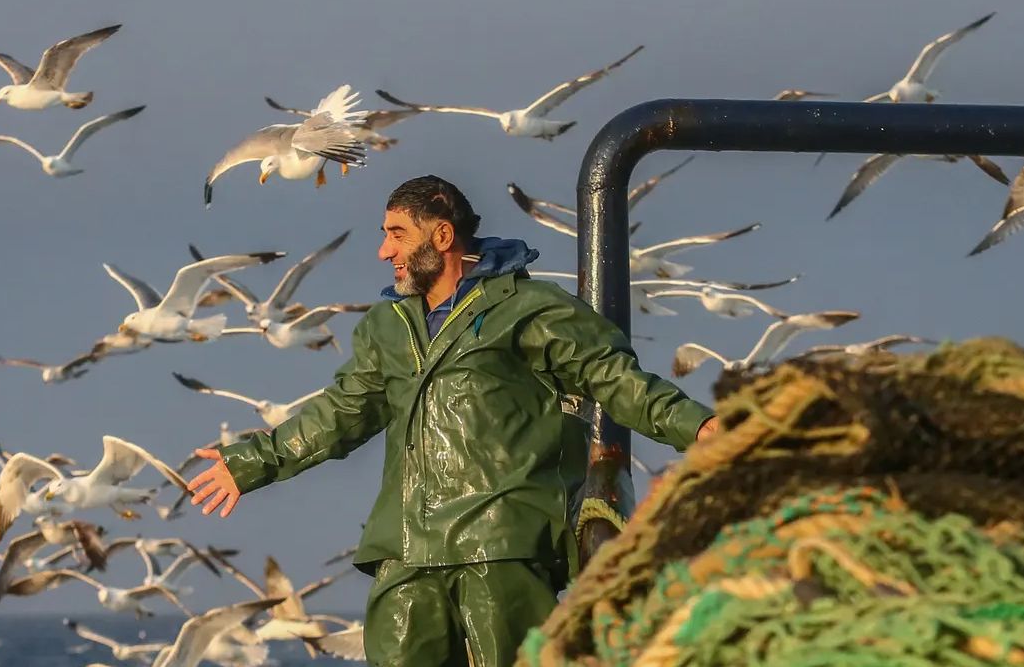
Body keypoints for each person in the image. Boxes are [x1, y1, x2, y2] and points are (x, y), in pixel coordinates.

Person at [186, 175, 720, 666]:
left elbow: (613, 378)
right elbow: (344, 411)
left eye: (397, 234)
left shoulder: (528, 307)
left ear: (442, 236)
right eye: (384, 235)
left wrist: (698, 427)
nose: (384, 251)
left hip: (500, 542)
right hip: (406, 549)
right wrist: (253, 462)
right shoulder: (388, 325)